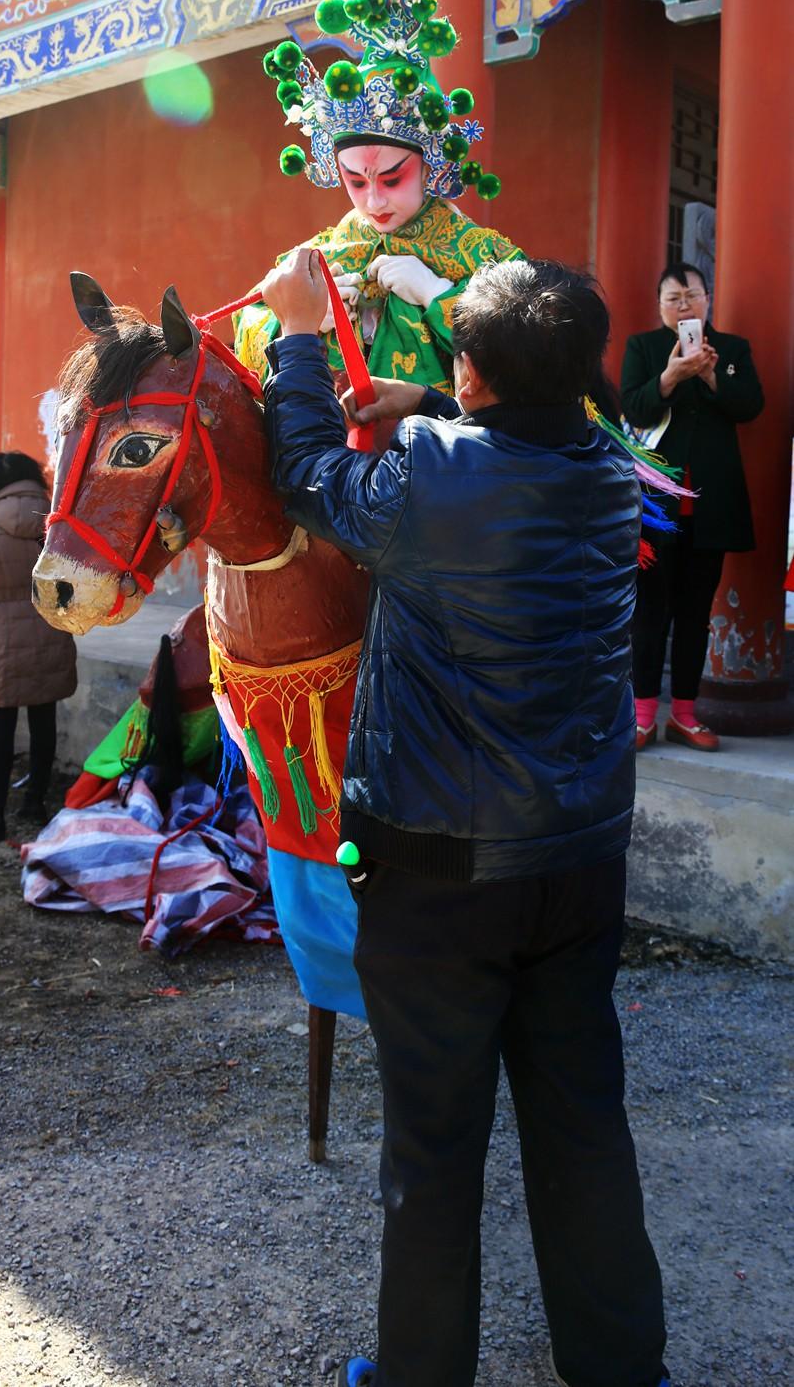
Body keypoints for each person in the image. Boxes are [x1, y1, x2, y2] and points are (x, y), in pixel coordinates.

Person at [260, 247, 670, 1387]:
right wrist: (433, 401)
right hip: (577, 860)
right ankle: (621, 1368)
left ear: (473, 377)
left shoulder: (426, 481)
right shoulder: (605, 469)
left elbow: (302, 474)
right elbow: (526, 433)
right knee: (581, 1123)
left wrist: (300, 336)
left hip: (436, 875)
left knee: (432, 1147)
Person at [234, 0, 525, 394]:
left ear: (430, 165)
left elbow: (530, 353)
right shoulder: (318, 256)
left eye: (392, 179)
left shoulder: (485, 256)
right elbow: (246, 326)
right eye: (355, 182)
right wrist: (297, 321)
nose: (373, 202)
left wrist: (440, 295)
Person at [621, 263, 763, 751]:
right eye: (673, 297)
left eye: (692, 295)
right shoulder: (643, 348)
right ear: (659, 305)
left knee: (695, 609)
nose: (684, 305)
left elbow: (750, 405)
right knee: (648, 609)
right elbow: (633, 408)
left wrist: (711, 374)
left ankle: (685, 713)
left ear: (708, 299)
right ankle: (642, 716)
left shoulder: (732, 350)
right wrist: (669, 377)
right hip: (656, 503)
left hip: (711, 500)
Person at [0, 451, 77, 840]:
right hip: (49, 630)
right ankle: (35, 803)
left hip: (1, 641)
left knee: (0, 727)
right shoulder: (55, 520)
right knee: (44, 722)